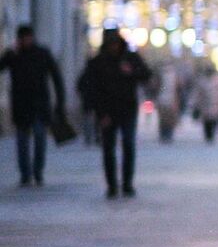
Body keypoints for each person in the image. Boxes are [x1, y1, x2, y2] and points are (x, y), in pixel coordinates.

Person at [77, 27, 153, 198]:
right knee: (108, 148)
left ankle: (127, 184)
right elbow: (87, 86)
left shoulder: (130, 58)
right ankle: (112, 185)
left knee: (128, 145)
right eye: (111, 44)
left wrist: (131, 72)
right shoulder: (98, 62)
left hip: (127, 109)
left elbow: (147, 74)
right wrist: (97, 112)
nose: (114, 47)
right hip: (106, 112)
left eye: (116, 43)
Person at [0, 25, 66, 186]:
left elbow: (56, 78)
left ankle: (37, 171)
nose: (26, 41)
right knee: (22, 142)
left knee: (39, 137)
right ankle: (25, 173)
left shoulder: (42, 54)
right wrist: (8, 54)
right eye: (23, 38)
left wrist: (60, 103)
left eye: (28, 37)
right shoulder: (13, 55)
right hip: (21, 106)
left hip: (39, 105)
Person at [188, 62, 218, 143]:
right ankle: (207, 135)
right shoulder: (202, 81)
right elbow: (198, 92)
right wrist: (196, 103)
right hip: (205, 103)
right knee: (206, 120)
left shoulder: (217, 80)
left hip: (215, 103)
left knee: (213, 119)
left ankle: (212, 134)